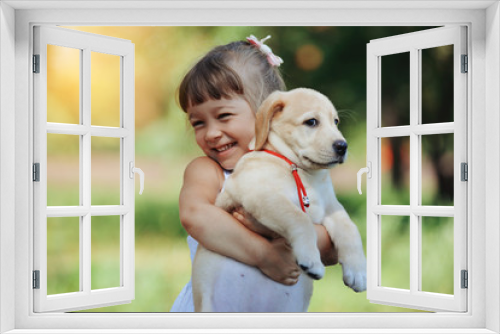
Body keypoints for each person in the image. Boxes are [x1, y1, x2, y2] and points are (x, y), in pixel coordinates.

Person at [170, 35, 337, 312]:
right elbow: (195, 214)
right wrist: (264, 255)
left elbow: (331, 248)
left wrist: (278, 228)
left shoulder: (295, 175)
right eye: (198, 122)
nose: (211, 133)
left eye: (224, 116)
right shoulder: (208, 171)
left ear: (267, 115)